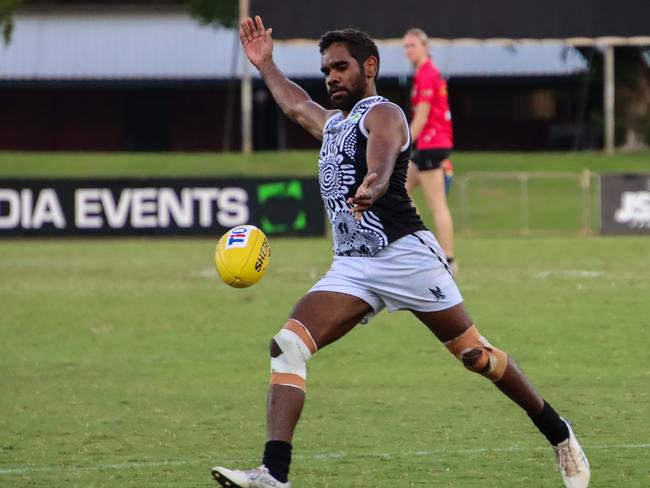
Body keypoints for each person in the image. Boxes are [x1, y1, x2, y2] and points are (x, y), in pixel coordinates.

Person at [211, 16, 590, 488]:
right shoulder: (334, 124)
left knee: (477, 356)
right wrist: (266, 64)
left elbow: (385, 157)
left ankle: (560, 436)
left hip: (406, 257)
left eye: (341, 67)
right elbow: (295, 104)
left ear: (369, 66)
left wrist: (374, 183)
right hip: (352, 267)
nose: (331, 76)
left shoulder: (384, 113)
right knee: (287, 347)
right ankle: (274, 474)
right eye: (327, 69)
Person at [403, 28, 457, 269]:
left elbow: (422, 117)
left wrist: (403, 144)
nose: (408, 50)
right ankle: (418, 244)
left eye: (412, 45)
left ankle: (448, 258)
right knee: (399, 190)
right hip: (429, 144)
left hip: (431, 144)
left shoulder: (427, 74)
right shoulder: (423, 73)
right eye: (405, 46)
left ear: (425, 47)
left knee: (437, 203)